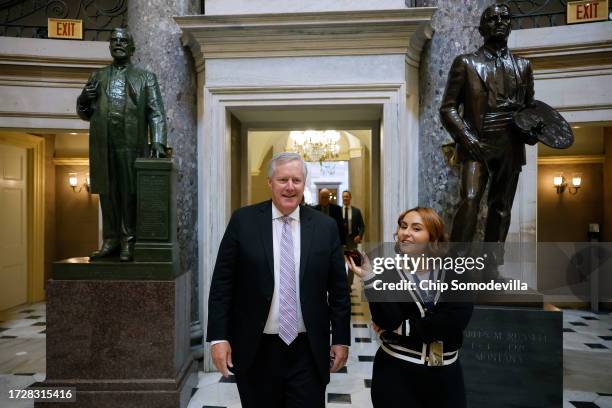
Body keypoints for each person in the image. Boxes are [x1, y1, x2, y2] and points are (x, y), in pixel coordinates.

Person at [207, 152, 351, 408]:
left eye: (296, 180)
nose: (289, 186)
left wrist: (340, 338)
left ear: (304, 184)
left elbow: (339, 291)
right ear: (270, 183)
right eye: (283, 179)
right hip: (255, 348)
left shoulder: (325, 227)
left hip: (308, 350)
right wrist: (219, 337)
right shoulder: (243, 221)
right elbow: (222, 284)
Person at [439, 4, 537, 278]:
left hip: (510, 144)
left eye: (505, 18)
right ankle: (456, 265)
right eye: (492, 19)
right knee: (469, 200)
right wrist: (467, 138)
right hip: (476, 144)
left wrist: (532, 131)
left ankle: (491, 267)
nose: (499, 22)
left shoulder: (523, 66)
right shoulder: (466, 63)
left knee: (501, 206)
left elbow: (530, 111)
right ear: (481, 29)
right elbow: (447, 108)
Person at [347, 207, 473, 408]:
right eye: (403, 226)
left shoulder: (456, 272)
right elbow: (386, 319)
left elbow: (454, 322)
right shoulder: (387, 272)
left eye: (416, 228)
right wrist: (369, 278)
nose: (405, 233)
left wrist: (403, 329)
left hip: (446, 377)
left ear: (432, 237)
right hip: (396, 374)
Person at [77, 28, 167, 262]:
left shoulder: (146, 77)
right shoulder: (97, 76)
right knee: (107, 192)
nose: (118, 44)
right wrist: (85, 98)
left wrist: (157, 141)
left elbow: (156, 112)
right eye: (114, 41)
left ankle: (129, 240)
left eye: (123, 41)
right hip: (103, 144)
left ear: (132, 48)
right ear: (109, 46)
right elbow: (84, 113)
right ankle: (110, 240)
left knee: (129, 193)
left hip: (130, 144)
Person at [341, 190, 365, 287]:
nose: (345, 198)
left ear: (350, 198)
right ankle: (341, 283)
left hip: (352, 240)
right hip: (340, 241)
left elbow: (362, 226)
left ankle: (349, 284)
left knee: (352, 263)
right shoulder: (338, 210)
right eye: (344, 196)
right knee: (340, 264)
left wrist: (359, 235)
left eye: (347, 196)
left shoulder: (356, 211)